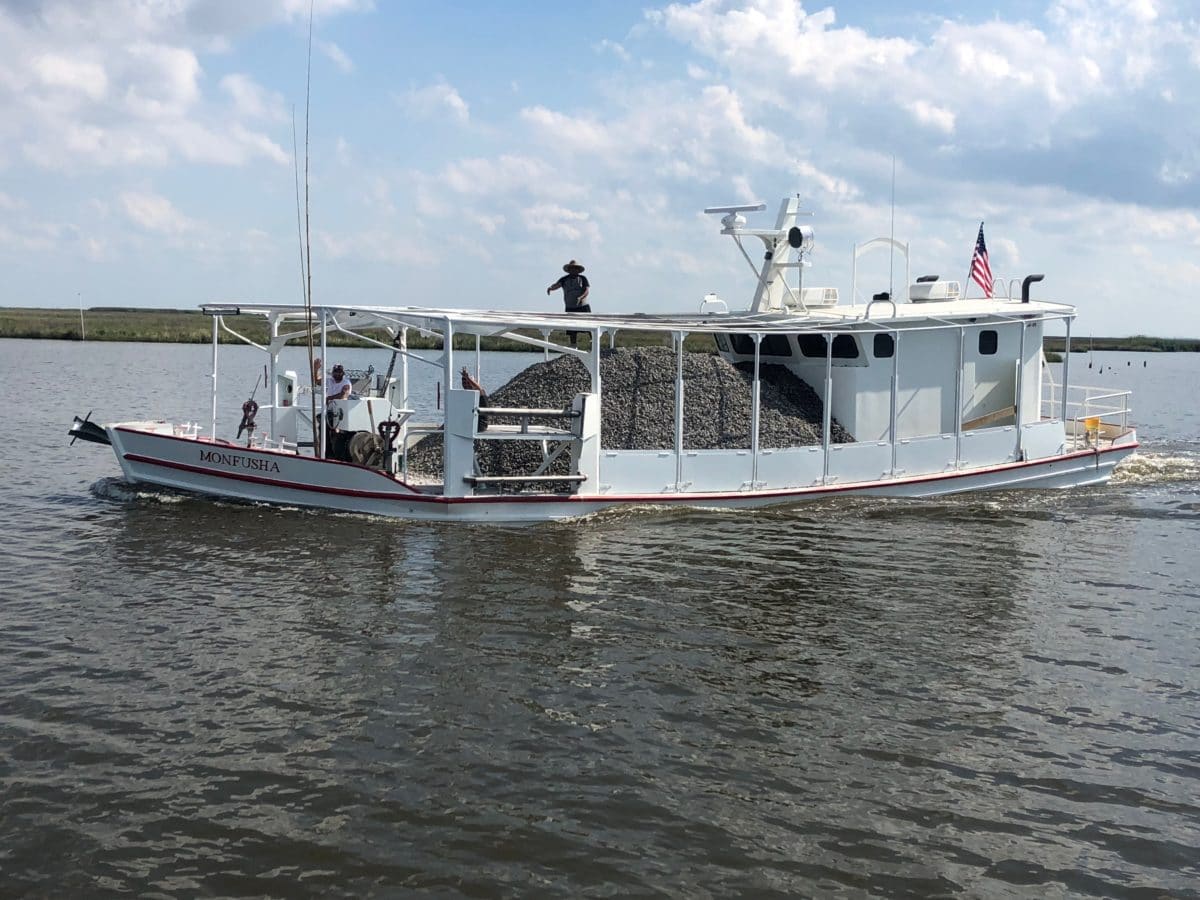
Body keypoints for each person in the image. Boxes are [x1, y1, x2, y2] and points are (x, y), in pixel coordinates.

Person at [547, 259, 590, 347]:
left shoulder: (582, 278)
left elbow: (586, 290)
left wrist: (581, 297)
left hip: (582, 307)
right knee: (572, 329)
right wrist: (550, 288)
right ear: (569, 270)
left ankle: (594, 343)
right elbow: (557, 285)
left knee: (589, 326)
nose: (573, 270)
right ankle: (573, 346)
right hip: (570, 307)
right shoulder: (564, 279)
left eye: (575, 268)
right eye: (571, 268)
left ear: (578, 270)